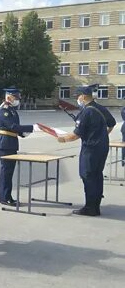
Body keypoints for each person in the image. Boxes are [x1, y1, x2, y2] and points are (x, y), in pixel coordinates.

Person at [56, 85, 115, 216]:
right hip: (102, 147)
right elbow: (112, 123)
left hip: (90, 149)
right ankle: (95, 206)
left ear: (82, 96)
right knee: (97, 175)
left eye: (78, 97)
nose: (77, 99)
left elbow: (76, 134)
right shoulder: (100, 108)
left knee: (88, 176)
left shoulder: (86, 111)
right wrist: (102, 135)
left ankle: (90, 208)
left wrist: (62, 139)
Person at [0, 88, 35, 206]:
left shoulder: (12, 110)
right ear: (9, 97)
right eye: (15, 97)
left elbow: (16, 128)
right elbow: (12, 126)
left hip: (11, 142)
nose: (17, 100)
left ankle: (7, 196)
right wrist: (32, 128)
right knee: (6, 171)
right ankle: (4, 197)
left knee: (9, 172)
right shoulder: (4, 111)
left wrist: (23, 133)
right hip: (5, 143)